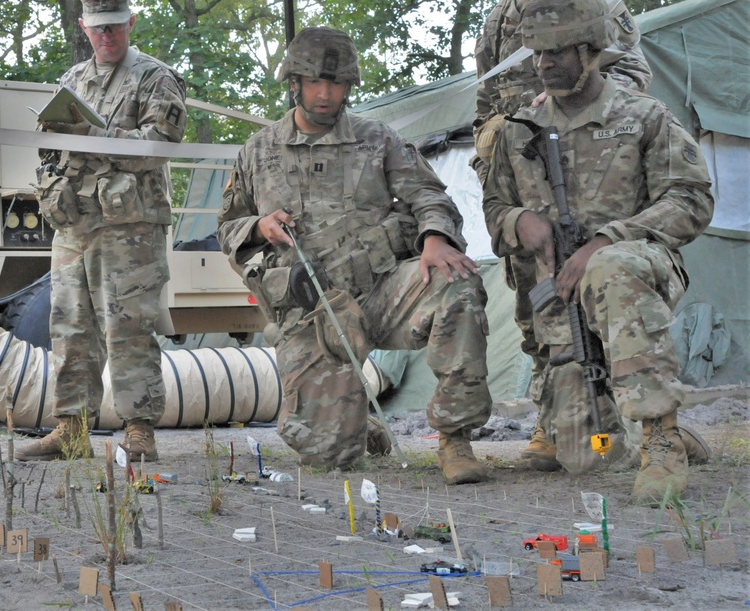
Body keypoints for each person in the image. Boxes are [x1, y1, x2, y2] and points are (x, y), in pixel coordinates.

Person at [217, 27, 494, 485]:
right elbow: (226, 228)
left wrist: (435, 239)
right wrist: (258, 226)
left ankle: (455, 437)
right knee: (326, 456)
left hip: (385, 292)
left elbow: (430, 196)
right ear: (294, 83)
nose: (326, 95)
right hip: (314, 310)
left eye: (337, 84)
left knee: (457, 284)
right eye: (315, 83)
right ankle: (356, 424)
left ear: (349, 87)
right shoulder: (258, 151)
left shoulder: (378, 139)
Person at [481, 0, 713, 500]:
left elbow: (691, 199)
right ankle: (628, 431)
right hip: (562, 295)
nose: (543, 64)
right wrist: (520, 221)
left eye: (557, 52)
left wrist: (610, 237)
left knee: (608, 267)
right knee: (588, 457)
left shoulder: (644, 116)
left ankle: (661, 436)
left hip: (637, 267)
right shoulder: (520, 130)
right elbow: (495, 207)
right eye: (536, 53)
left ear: (590, 51)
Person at [472, 0, 652, 470]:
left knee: (606, 312)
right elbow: (485, 105)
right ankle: (550, 419)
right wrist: (491, 156)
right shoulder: (496, 21)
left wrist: (569, 108)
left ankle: (651, 427)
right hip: (526, 182)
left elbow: (631, 71)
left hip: (593, 174)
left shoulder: (599, 6)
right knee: (538, 313)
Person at [15, 0, 186, 463]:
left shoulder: (155, 77)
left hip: (129, 226)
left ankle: (139, 428)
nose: (105, 36)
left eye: (114, 27)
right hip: (75, 224)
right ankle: (71, 428)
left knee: (128, 326)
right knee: (70, 328)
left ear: (131, 23)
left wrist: (94, 136)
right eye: (97, 29)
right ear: (83, 27)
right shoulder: (72, 81)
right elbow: (52, 146)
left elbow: (158, 146)